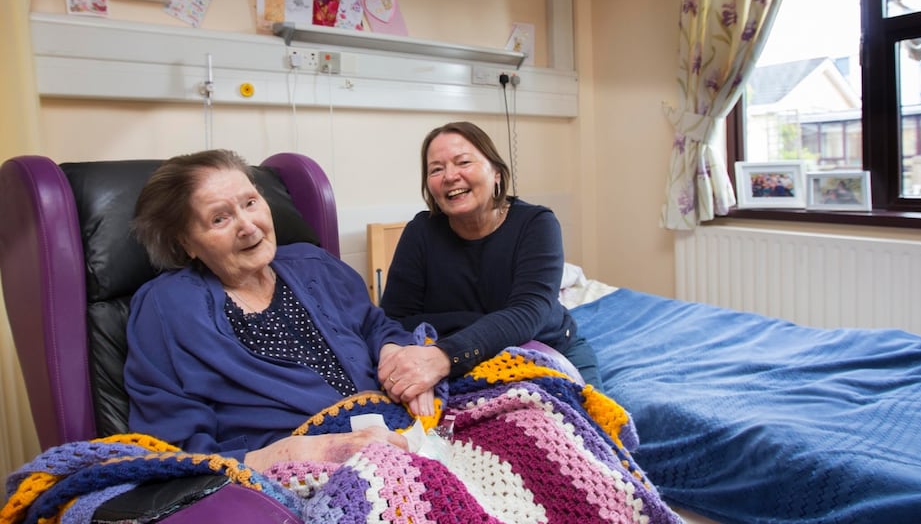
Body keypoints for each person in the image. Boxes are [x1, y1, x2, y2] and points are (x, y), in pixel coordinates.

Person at [125, 149, 434, 473]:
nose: (247, 225)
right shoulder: (166, 307)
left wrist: (394, 353)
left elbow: (376, 326)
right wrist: (292, 453)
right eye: (220, 218)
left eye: (250, 202)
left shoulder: (313, 263)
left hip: (399, 436)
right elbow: (175, 449)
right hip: (294, 479)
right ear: (186, 242)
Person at [378, 121, 603, 411]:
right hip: (471, 363)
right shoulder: (420, 232)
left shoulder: (536, 224)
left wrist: (445, 352)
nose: (449, 176)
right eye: (436, 169)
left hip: (549, 349)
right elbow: (394, 318)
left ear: (496, 173)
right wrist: (484, 325)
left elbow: (528, 314)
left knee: (597, 429)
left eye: (463, 162)